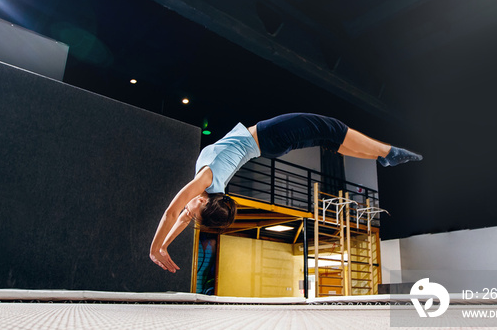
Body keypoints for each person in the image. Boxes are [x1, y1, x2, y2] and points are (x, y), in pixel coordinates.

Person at [149, 113, 422, 273]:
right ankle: (388, 152)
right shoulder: (207, 183)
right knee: (332, 129)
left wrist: (161, 246)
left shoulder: (207, 185)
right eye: (194, 209)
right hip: (269, 137)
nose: (189, 208)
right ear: (204, 203)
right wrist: (159, 246)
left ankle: (381, 157)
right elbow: (178, 214)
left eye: (192, 208)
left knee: (329, 139)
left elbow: (177, 215)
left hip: (268, 144)